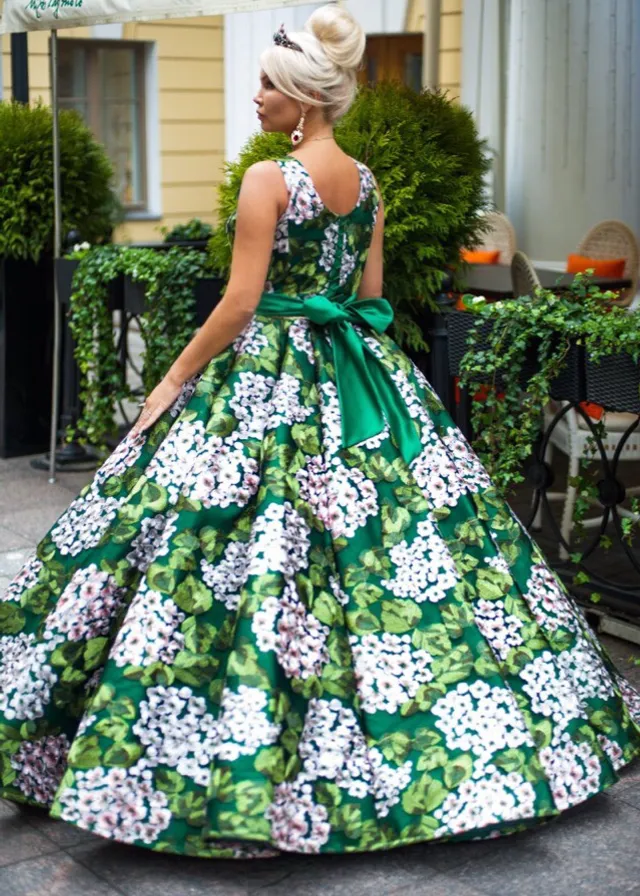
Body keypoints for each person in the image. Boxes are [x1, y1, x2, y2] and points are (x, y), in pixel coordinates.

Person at [0, 3, 639, 860]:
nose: (254, 97)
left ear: (303, 96)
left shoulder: (270, 180)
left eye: (267, 83)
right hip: (356, 369)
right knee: (403, 548)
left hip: (268, 370)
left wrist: (172, 378)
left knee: (208, 531)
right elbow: (370, 294)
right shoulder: (367, 184)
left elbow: (238, 303)